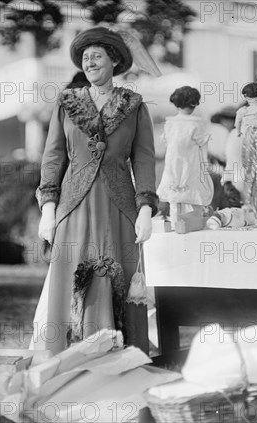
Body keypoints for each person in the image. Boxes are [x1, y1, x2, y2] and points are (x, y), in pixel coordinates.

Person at [32, 26, 159, 354]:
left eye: (97, 57)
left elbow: (144, 160)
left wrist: (145, 208)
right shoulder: (66, 103)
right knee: (73, 282)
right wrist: (48, 208)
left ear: (114, 61)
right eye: (85, 58)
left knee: (116, 282)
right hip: (73, 209)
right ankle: (67, 364)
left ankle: (118, 365)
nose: (89, 63)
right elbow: (53, 157)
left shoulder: (134, 106)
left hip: (119, 210)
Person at [157, 86, 214, 226]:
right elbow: (203, 143)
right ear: (194, 103)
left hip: (173, 164)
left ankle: (176, 222)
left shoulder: (170, 123)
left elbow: (167, 143)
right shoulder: (196, 123)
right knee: (194, 195)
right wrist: (205, 164)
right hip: (191, 163)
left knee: (175, 199)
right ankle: (193, 223)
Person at [235, 82, 257, 225]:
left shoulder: (243, 111)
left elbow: (237, 126)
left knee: (251, 172)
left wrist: (239, 133)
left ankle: (254, 210)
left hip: (249, 141)